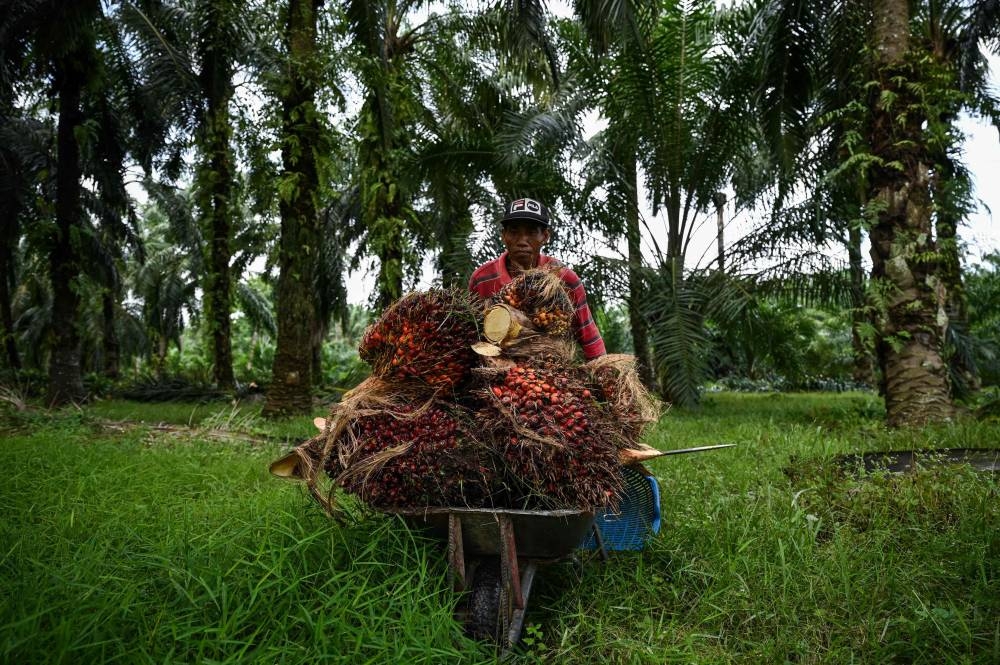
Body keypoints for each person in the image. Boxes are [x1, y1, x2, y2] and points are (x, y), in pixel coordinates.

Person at [468, 197, 606, 360]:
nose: (522, 241)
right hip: (498, 373)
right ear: (503, 236)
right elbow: (472, 336)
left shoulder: (564, 279)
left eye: (532, 232)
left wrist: (604, 374)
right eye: (514, 231)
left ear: (545, 236)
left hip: (552, 374)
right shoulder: (482, 279)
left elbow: (590, 339)